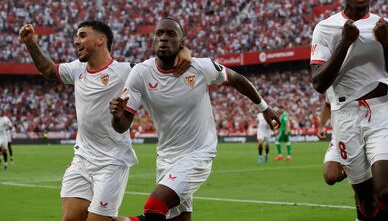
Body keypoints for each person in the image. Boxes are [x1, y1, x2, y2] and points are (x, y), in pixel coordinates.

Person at [19, 21, 191, 221]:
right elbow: (48, 69)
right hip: (81, 159)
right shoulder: (77, 69)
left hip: (111, 162)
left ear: (101, 40)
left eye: (83, 35)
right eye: (77, 36)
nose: (76, 41)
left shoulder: (126, 71)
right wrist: (30, 42)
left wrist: (183, 50)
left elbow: (161, 64)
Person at [111, 18, 281, 221]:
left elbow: (237, 79)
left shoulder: (200, 67)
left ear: (182, 42)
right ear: (153, 40)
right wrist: (117, 115)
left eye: (171, 34)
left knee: (155, 207)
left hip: (198, 154)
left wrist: (264, 107)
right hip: (166, 158)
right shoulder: (140, 73)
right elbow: (121, 126)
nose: (164, 38)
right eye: (159, 33)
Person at [311, 0, 388, 220]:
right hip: (345, 116)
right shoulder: (326, 28)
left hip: (380, 112)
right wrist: (345, 42)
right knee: (366, 199)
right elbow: (318, 83)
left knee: (385, 192)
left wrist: (385, 42)